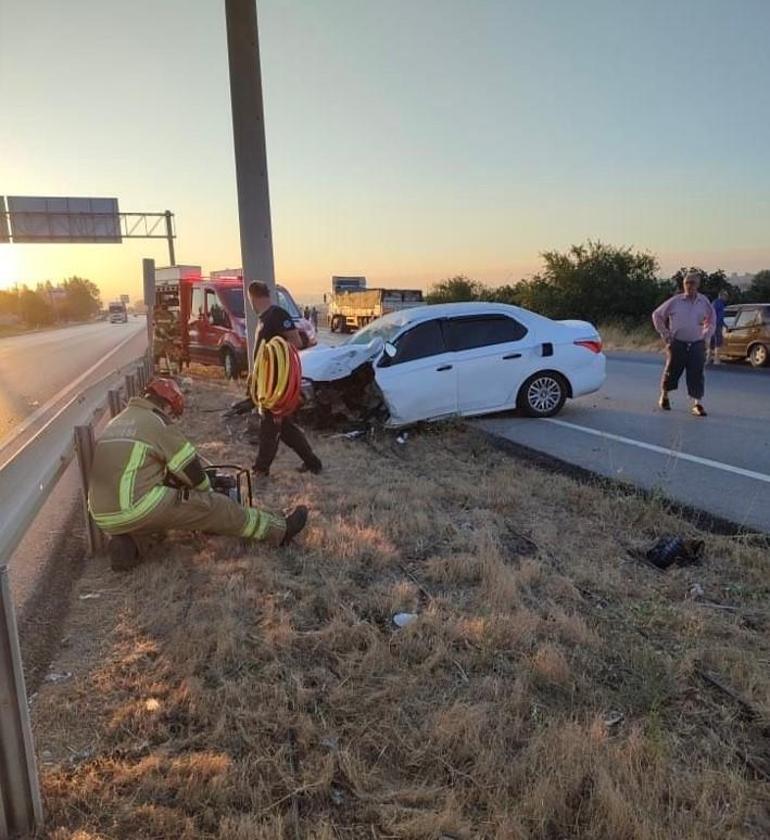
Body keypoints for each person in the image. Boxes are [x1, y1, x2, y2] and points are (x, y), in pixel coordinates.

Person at [88, 377, 308, 571]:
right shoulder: (157, 422)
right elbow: (191, 469)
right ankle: (280, 531)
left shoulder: (116, 422)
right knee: (216, 507)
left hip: (103, 515)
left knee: (155, 523)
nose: (172, 417)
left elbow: (135, 470)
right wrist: (207, 492)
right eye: (173, 413)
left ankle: (129, 545)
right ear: (166, 405)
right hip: (138, 506)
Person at [247, 281, 323, 478]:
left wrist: (273, 356)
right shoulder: (264, 318)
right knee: (286, 429)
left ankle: (261, 469)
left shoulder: (277, 315)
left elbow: (295, 342)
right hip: (265, 383)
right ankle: (313, 463)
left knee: (269, 427)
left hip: (276, 386)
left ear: (252, 298)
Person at [652, 270, 715, 417]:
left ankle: (697, 404)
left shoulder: (703, 302)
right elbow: (657, 315)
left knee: (697, 373)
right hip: (677, 343)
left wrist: (706, 336)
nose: (689, 285)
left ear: (698, 284)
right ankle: (664, 396)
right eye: (686, 282)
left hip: (696, 344)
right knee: (672, 371)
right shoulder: (676, 301)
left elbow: (711, 320)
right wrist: (665, 334)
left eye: (692, 283)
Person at [708, 289, 729, 364]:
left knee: (712, 342)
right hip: (716, 325)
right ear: (721, 295)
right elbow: (715, 315)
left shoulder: (716, 303)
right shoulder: (718, 304)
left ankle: (709, 358)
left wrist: (724, 325)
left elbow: (720, 316)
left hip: (715, 325)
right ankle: (716, 360)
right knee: (718, 342)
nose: (727, 298)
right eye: (726, 296)